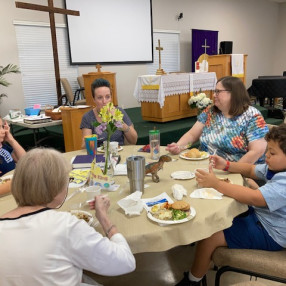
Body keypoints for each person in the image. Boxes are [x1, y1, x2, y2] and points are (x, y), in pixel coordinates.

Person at [0, 148, 135, 285]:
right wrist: (104, 219)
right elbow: (125, 262)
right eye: (67, 180)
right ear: (55, 187)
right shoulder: (65, 225)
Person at [175, 123, 286, 286]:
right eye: (267, 150)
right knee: (221, 211)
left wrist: (216, 184)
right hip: (263, 217)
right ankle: (205, 263)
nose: (266, 155)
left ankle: (192, 281)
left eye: (272, 152)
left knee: (211, 233)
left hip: (271, 233)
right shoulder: (276, 168)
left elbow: (255, 198)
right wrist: (226, 165)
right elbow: (250, 169)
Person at [166, 76, 268, 164]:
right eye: (215, 91)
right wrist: (179, 146)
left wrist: (230, 169)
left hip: (236, 170)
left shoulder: (252, 116)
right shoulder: (210, 112)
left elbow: (257, 151)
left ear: (233, 93)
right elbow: (192, 135)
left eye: (218, 91)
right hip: (205, 165)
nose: (214, 95)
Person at [80, 78, 138, 148]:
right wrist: (94, 137)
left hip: (119, 153)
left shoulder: (119, 112)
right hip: (99, 155)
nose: (104, 102)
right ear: (94, 99)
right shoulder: (88, 117)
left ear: (111, 98)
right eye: (100, 98)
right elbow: (84, 148)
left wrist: (120, 122)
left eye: (107, 97)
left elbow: (134, 141)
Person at [0, 117, 25, 195]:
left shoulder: (3, 147)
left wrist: (11, 140)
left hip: (14, 190)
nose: (3, 131)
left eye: (2, 127)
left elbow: (25, 161)